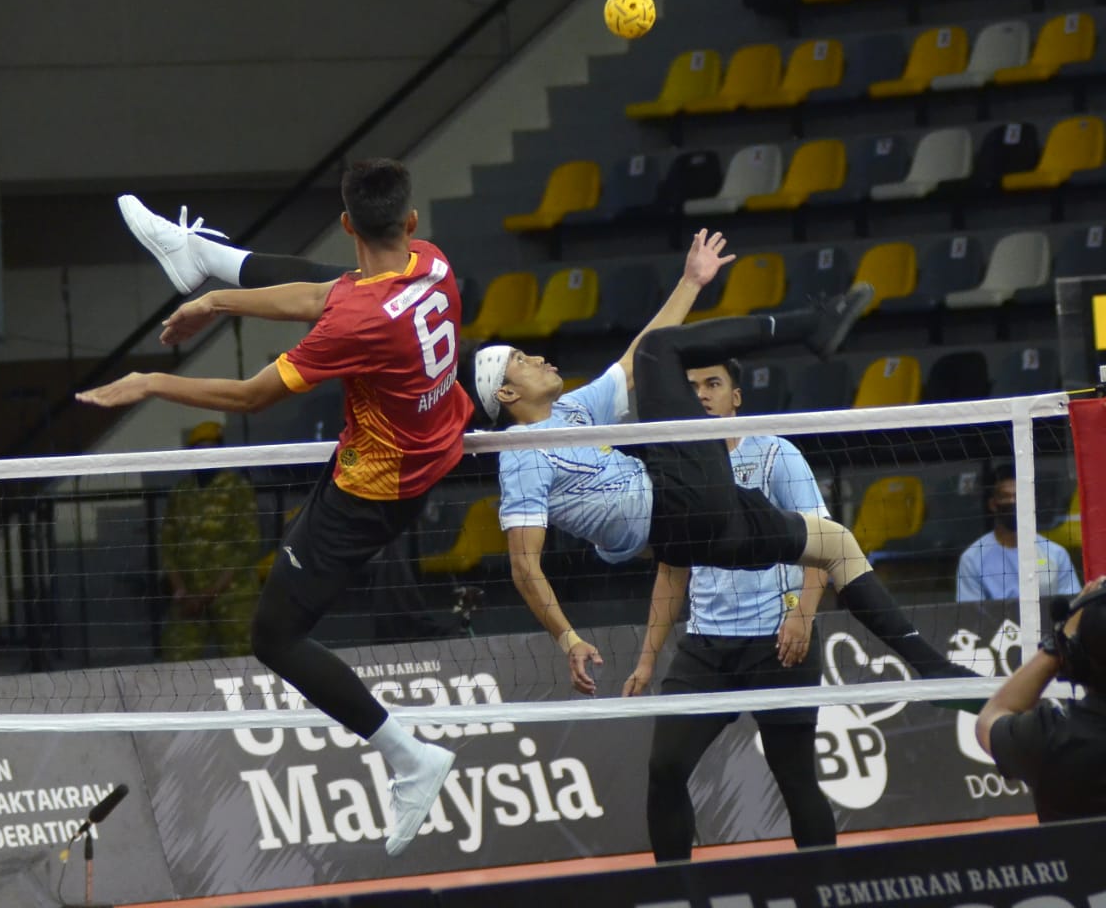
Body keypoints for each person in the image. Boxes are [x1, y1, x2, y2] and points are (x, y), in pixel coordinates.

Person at [78, 159, 473, 856]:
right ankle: (202, 257)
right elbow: (323, 292)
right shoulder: (433, 263)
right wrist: (216, 300)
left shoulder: (357, 320)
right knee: (329, 283)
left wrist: (150, 382)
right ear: (409, 222)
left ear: (346, 223)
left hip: (371, 493)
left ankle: (409, 757)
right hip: (431, 450)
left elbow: (250, 396)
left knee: (275, 637)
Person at [474, 229, 968, 699]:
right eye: (520, 360)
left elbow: (630, 362)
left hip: (703, 529)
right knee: (659, 350)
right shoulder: (521, 455)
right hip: (675, 509)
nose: (537, 358)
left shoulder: (574, 412)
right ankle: (811, 324)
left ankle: (936, 672)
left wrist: (691, 282)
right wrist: (568, 639)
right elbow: (523, 565)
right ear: (507, 394)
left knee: (837, 544)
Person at [621, 357, 835, 861]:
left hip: (778, 643)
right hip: (706, 647)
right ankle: (675, 887)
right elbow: (672, 573)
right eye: (692, 386)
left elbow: (826, 545)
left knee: (795, 778)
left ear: (735, 397)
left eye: (713, 384)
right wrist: (647, 660)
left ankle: (827, 885)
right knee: (665, 767)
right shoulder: (676, 472)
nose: (701, 394)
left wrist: (802, 615)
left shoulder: (776, 455)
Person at [975, 577, 1106, 822]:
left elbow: (989, 719)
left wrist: (1056, 644)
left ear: (1075, 657)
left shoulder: (1049, 739)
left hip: (1078, 850)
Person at [158, 421, 261, 662]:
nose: (205, 455)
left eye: (211, 448)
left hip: (234, 595)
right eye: (199, 449)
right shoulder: (181, 491)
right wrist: (181, 590)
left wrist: (210, 593)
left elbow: (248, 545)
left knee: (243, 661)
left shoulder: (236, 488)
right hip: (189, 598)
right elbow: (167, 544)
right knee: (176, 659)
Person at [956, 463, 1081, 603]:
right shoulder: (972, 559)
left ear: (1031, 502)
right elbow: (971, 612)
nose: (1012, 501)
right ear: (993, 504)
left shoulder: (1056, 554)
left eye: (1019, 496)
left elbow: (1072, 606)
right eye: (1005, 496)